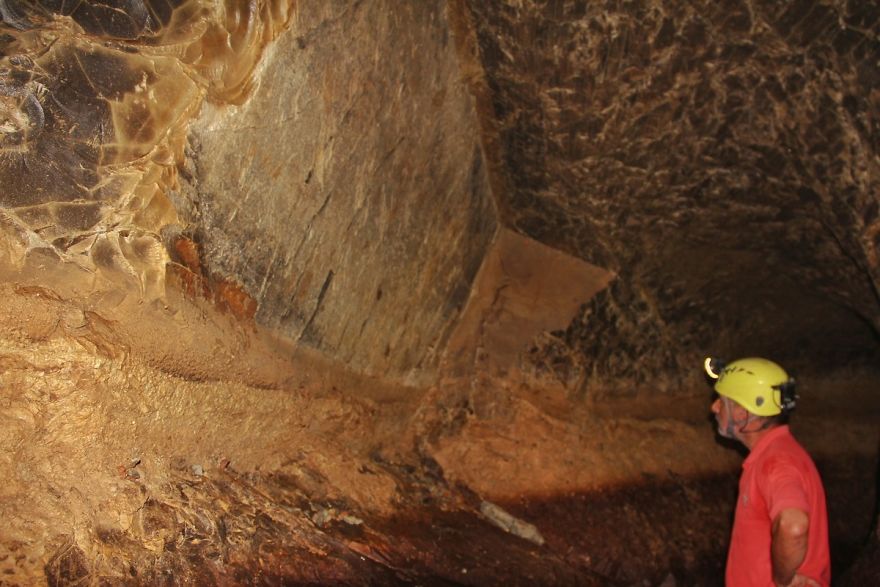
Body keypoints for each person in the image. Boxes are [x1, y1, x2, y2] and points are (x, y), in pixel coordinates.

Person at [705, 357, 830, 587]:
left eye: (721, 401)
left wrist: (782, 580)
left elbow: (793, 526)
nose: (714, 407)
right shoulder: (775, 453)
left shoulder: (776, 463)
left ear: (742, 413)